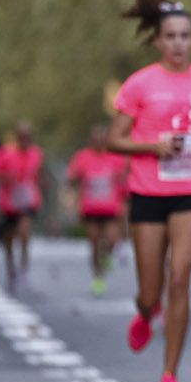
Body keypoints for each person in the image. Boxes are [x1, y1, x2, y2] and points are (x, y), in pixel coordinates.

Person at [109, 0, 191, 382]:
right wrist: (152, 147)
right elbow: (114, 141)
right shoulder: (140, 84)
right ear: (158, 41)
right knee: (151, 290)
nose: (179, 43)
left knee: (180, 278)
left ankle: (170, 375)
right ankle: (146, 312)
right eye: (171, 36)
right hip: (147, 193)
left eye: (185, 36)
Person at [67, 125, 129, 296]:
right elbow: (72, 178)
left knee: (111, 240)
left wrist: (124, 202)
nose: (99, 142)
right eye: (95, 139)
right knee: (94, 243)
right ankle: (98, 277)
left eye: (102, 139)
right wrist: (74, 189)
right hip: (90, 208)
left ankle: (107, 256)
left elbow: (125, 182)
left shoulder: (116, 158)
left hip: (111, 208)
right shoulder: (82, 157)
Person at [0, 122, 45, 293]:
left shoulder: (37, 154)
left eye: (28, 137)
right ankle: (11, 270)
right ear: (17, 137)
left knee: (24, 233)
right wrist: (7, 177)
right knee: (9, 239)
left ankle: (24, 270)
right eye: (22, 137)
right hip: (9, 202)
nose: (25, 140)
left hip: (28, 201)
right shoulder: (6, 154)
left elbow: (39, 175)